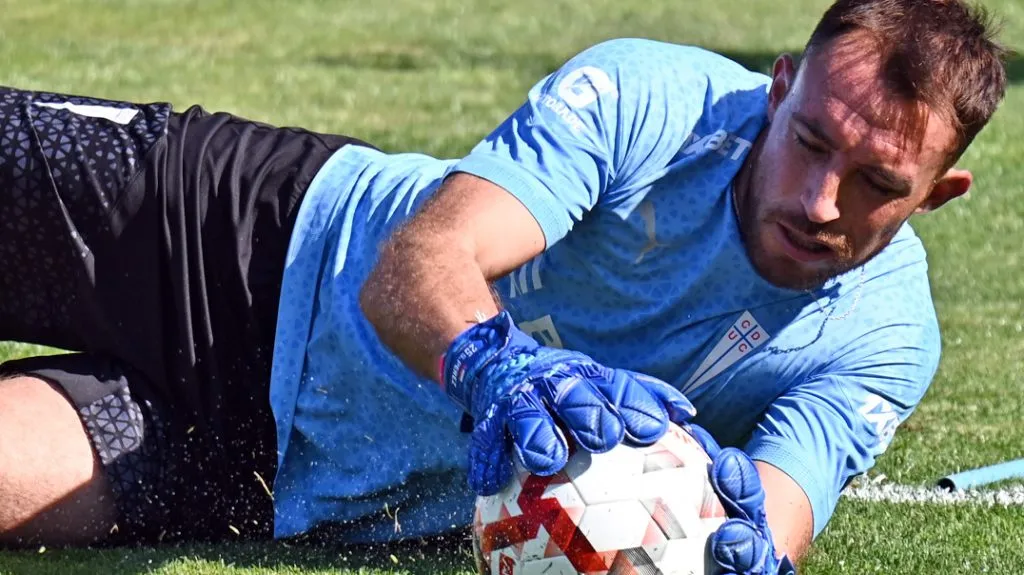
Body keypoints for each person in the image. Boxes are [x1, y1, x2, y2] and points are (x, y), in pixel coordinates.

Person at [0, 0, 1007, 571]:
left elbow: (777, 512)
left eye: (878, 182)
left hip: (282, 468)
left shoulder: (882, 341)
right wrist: (499, 365)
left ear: (938, 194)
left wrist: (727, 551)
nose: (821, 199)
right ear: (778, 87)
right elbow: (416, 265)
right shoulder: (652, 99)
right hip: (242, 232)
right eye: (810, 143)